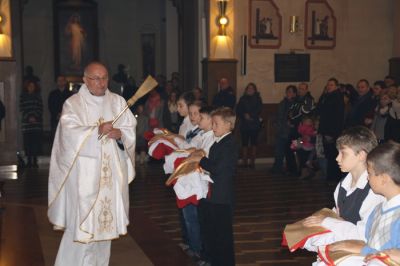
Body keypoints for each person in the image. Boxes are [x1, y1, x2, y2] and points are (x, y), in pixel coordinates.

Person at [48, 62, 137, 266]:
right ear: (85, 80)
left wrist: (120, 134)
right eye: (96, 78)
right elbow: (67, 134)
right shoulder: (73, 104)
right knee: (81, 230)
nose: (101, 83)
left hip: (110, 176)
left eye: (104, 77)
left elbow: (129, 129)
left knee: (104, 231)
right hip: (84, 178)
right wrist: (96, 130)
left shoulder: (117, 102)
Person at [301, 126, 384, 256]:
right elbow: (339, 214)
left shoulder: (374, 191)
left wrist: (326, 221)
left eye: (343, 153)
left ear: (361, 155)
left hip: (364, 253)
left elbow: (364, 236)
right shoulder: (342, 185)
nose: (337, 158)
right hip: (345, 243)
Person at [326, 142, 400, 265]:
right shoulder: (378, 209)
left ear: (383, 179)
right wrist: (362, 249)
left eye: (369, 173)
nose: (367, 178)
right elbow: (371, 244)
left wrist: (364, 249)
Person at [191, 107, 239, 266]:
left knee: (223, 236)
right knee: (214, 232)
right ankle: (214, 260)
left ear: (228, 125)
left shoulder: (229, 143)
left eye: (216, 124)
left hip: (222, 197)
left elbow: (218, 167)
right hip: (214, 194)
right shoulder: (220, 142)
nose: (213, 127)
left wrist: (201, 159)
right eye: (212, 123)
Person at [316, 78, 345, 181]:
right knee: (329, 155)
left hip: (332, 131)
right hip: (326, 130)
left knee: (333, 155)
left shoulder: (337, 97)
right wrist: (323, 95)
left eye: (331, 85)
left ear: (337, 86)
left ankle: (334, 178)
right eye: (328, 85)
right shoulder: (327, 96)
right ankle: (330, 176)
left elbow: (336, 117)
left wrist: (331, 133)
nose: (329, 86)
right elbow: (319, 109)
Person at [270, 85, 297, 174]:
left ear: (294, 93)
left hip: (290, 132)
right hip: (280, 130)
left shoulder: (296, 104)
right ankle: (277, 168)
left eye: (290, 91)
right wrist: (275, 123)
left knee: (290, 153)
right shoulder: (282, 103)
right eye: (287, 91)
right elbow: (278, 115)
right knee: (278, 151)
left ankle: (292, 170)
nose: (288, 93)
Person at [236, 82, 263, 168]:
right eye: (248, 88)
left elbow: (259, 109)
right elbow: (238, 110)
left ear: (255, 90)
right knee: (244, 144)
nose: (250, 90)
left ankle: (252, 162)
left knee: (253, 143)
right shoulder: (242, 99)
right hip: (244, 124)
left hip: (254, 124)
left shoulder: (258, 99)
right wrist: (244, 115)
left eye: (252, 88)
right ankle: (244, 162)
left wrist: (250, 116)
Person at [20, 81, 43, 168]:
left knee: (35, 143)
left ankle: (34, 160)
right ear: (27, 87)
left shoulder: (38, 97)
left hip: (36, 124)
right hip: (27, 124)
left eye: (33, 86)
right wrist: (29, 117)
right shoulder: (23, 97)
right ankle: (29, 160)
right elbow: (22, 108)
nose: (31, 87)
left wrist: (34, 116)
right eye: (29, 86)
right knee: (28, 143)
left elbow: (40, 108)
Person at [48, 75, 73, 140]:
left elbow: (72, 107)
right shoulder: (52, 94)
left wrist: (64, 114)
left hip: (68, 120)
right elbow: (50, 106)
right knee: (56, 139)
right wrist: (57, 114)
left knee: (67, 139)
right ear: (57, 82)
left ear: (65, 82)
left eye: (62, 80)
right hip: (55, 119)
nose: (61, 82)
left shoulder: (70, 94)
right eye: (59, 80)